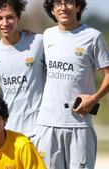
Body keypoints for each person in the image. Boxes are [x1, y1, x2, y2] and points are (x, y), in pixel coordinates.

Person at [33, 0, 109, 168]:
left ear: (78, 6)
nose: (63, 7)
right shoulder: (47, 35)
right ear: (52, 10)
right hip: (47, 124)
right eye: (57, 3)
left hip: (79, 124)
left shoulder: (93, 36)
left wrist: (94, 99)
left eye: (68, 2)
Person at [0, 0, 45, 138]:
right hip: (9, 130)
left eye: (10, 17)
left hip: (40, 131)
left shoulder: (39, 42)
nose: (5, 23)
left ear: (18, 18)